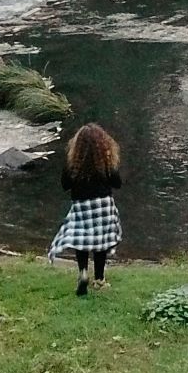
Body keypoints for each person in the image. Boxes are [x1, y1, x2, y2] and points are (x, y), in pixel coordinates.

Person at [49, 123, 123, 295]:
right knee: (101, 243)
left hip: (82, 205)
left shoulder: (73, 164)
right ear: (103, 143)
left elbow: (64, 185)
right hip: (104, 205)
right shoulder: (106, 161)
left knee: (81, 239)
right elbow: (117, 183)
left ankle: (83, 272)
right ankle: (99, 279)